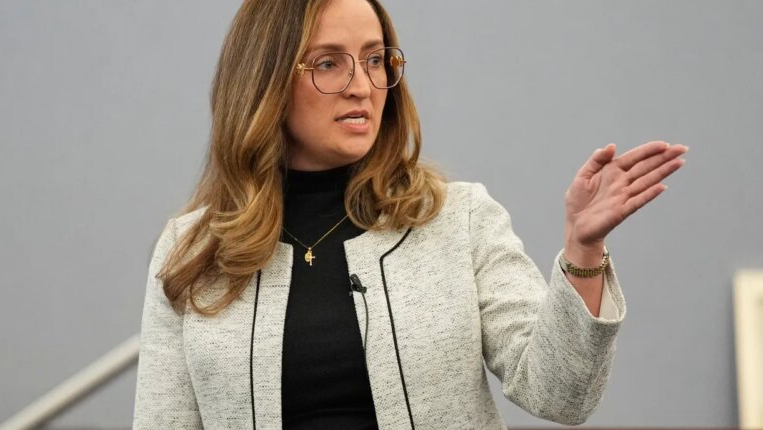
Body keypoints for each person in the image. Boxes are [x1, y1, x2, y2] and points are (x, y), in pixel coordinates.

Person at [132, 0, 688, 428]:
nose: (362, 85)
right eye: (329, 63)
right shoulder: (194, 248)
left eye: (376, 60)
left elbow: (560, 394)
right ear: (265, 80)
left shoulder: (460, 219)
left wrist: (583, 253)